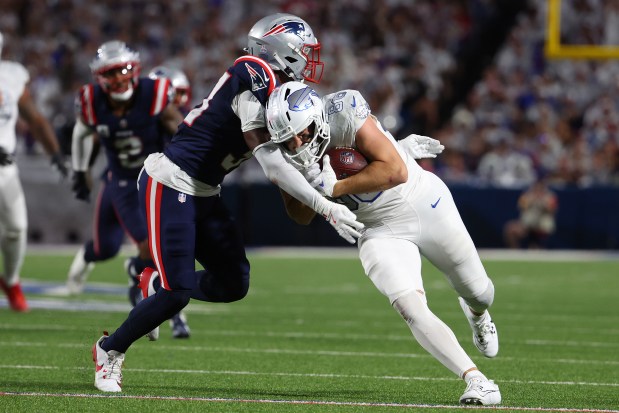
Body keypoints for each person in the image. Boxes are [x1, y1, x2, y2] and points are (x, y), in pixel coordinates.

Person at [92, 13, 364, 393]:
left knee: (234, 282)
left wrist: (327, 177)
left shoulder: (282, 91)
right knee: (178, 292)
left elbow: (300, 152)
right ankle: (110, 349)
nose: (309, 57)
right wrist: (325, 206)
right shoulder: (252, 75)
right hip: (170, 182)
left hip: (205, 190)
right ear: (279, 50)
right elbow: (271, 163)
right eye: (304, 49)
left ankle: (153, 285)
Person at [266, 82, 501, 405]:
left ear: (316, 118)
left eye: (301, 133)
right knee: (409, 307)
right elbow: (300, 216)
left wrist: (335, 188)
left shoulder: (343, 112)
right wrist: (309, 186)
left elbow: (396, 170)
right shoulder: (284, 154)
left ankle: (477, 315)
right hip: (378, 229)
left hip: (423, 201)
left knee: (480, 291)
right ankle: (477, 380)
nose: (296, 143)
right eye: (287, 139)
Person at [66, 40, 190, 339]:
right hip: (122, 181)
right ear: (99, 78)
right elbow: (83, 133)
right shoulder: (91, 101)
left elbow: (182, 131)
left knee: (166, 244)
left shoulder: (153, 94)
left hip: (155, 177)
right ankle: (149, 298)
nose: (119, 78)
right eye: (111, 73)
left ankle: (149, 290)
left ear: (134, 70)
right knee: (126, 247)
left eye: (123, 70)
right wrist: (80, 170)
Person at [0, 32, 68, 312]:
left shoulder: (11, 76)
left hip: (4, 168)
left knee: (17, 228)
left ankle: (11, 281)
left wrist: (55, 155)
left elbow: (35, 119)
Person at [504, 178, 558, 249]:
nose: (538, 190)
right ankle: (515, 253)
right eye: (536, 188)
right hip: (527, 226)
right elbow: (521, 206)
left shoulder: (550, 197)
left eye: (540, 188)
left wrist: (543, 204)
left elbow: (552, 210)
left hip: (542, 227)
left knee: (535, 248)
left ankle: (538, 248)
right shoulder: (527, 196)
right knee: (510, 229)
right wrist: (531, 201)